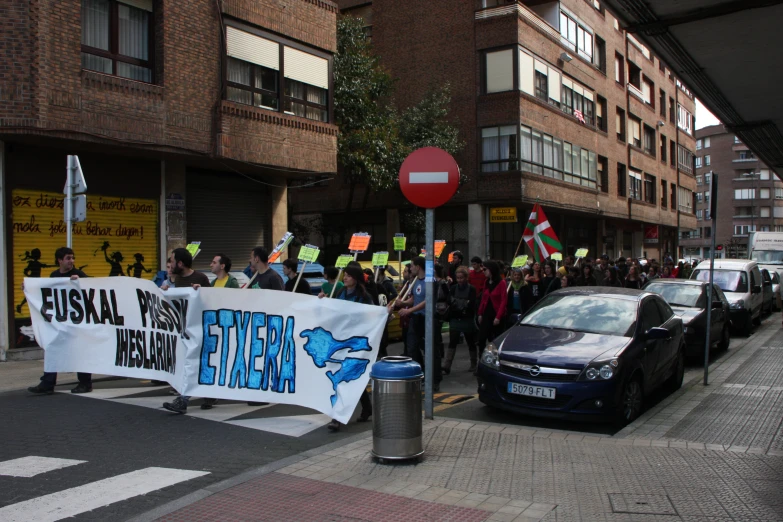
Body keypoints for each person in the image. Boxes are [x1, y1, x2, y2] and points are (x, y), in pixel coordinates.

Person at [27, 247, 93, 395]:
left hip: (77, 321)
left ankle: (85, 383)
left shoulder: (78, 274)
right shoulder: (54, 275)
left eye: (72, 258)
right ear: (60, 260)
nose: (72, 261)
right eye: (68, 258)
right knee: (52, 348)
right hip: (60, 321)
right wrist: (29, 289)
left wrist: (81, 282)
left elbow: (93, 289)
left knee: (79, 351)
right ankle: (48, 383)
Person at [162, 249, 213, 413]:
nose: (169, 264)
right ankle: (207, 395)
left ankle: (183, 401)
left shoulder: (200, 278)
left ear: (180, 263)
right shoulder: (176, 280)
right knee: (189, 364)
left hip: (199, 329)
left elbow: (212, 301)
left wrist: (201, 292)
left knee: (193, 364)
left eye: (172, 260)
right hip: (183, 330)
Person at [328, 265, 374, 431]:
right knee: (343, 377)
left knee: (347, 377)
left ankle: (337, 418)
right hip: (341, 341)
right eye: (344, 275)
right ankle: (364, 408)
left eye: (348, 276)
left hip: (356, 344)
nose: (345, 278)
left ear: (355, 278)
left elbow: (373, 315)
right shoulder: (340, 294)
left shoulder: (364, 296)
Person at [396, 257, 442, 390]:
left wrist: (409, 310)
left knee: (432, 350)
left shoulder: (430, 280)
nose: (410, 269)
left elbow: (428, 300)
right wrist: (403, 304)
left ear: (418, 267)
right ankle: (420, 374)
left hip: (428, 319)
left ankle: (434, 380)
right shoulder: (415, 281)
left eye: (412, 266)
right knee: (412, 347)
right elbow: (414, 299)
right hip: (416, 319)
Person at [443, 266, 478, 375]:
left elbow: (472, 304)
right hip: (455, 318)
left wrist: (459, 304)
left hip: (466, 318)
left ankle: (473, 363)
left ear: (466, 277)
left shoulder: (471, 289)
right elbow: (449, 300)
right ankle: (447, 366)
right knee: (452, 341)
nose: (460, 280)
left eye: (462, 278)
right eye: (458, 278)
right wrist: (462, 304)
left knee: (470, 341)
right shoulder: (453, 288)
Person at [477, 261, 507, 371]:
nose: (483, 271)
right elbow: (483, 299)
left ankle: (496, 363)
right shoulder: (486, 282)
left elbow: (504, 301)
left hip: (496, 315)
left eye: (485, 269)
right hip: (486, 314)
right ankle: (481, 363)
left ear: (491, 270)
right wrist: (480, 313)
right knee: (481, 339)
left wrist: (498, 317)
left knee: (495, 341)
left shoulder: (501, 283)